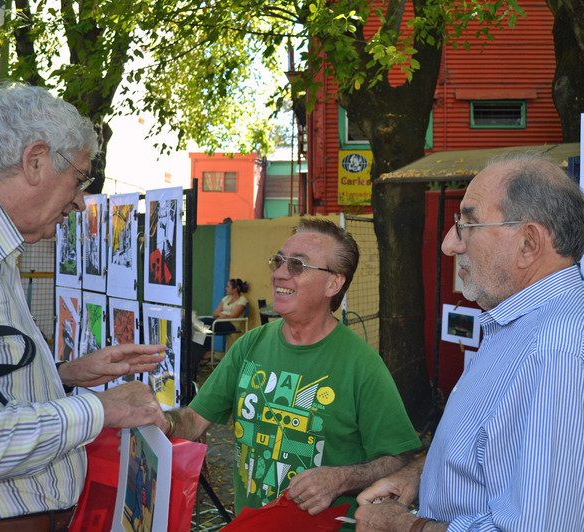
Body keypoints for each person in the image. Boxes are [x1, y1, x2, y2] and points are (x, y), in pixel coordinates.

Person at [0, 83, 168, 529]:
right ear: (34, 161)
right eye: (77, 179)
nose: (79, 200)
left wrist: (60, 375)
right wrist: (99, 409)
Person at [354, 156, 584, 532]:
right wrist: (422, 475)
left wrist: (403, 527)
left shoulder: (555, 351)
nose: (449, 244)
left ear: (528, 243)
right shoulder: (523, 327)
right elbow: (493, 450)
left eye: (468, 223)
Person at [165, 218, 422, 519]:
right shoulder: (250, 345)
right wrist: (160, 421)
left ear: (333, 283)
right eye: (279, 261)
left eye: (297, 265)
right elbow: (193, 421)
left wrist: (339, 479)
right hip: (250, 525)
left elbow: (398, 457)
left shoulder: (362, 365)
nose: (279, 274)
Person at [191, 278, 250, 374]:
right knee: (200, 323)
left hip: (232, 324)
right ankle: (198, 354)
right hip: (219, 322)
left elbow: (233, 316)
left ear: (235, 289)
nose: (226, 288)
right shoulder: (226, 299)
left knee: (205, 322)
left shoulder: (242, 300)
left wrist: (221, 315)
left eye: (228, 286)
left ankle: (207, 352)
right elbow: (215, 313)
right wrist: (222, 315)